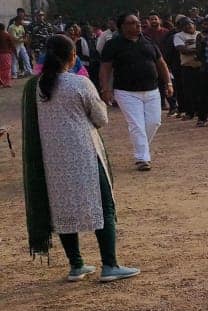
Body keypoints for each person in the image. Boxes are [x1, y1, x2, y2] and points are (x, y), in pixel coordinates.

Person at [24, 35, 140, 283]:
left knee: (62, 207)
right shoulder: (79, 83)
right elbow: (101, 118)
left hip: (53, 158)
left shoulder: (37, 87)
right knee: (104, 204)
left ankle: (76, 264)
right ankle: (110, 264)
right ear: (73, 56)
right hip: (84, 153)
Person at [99, 14, 172, 171]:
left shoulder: (148, 42)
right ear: (122, 27)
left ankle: (141, 149)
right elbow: (105, 67)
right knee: (137, 125)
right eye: (132, 23)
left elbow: (161, 63)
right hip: (126, 91)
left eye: (138, 23)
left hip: (152, 90)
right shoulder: (113, 44)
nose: (138, 26)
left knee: (154, 122)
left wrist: (169, 83)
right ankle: (142, 158)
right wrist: (105, 88)